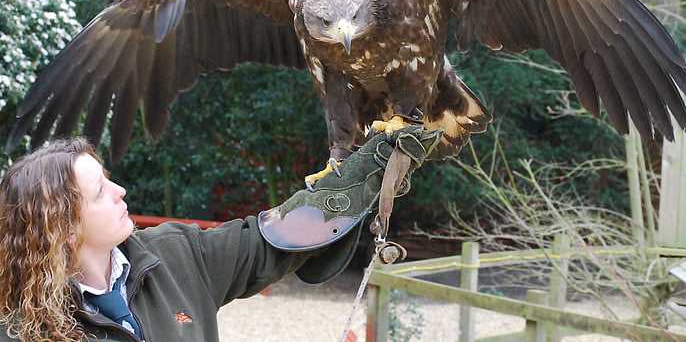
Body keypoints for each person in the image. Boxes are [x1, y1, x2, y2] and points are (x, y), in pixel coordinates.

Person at [0, 127, 439, 342]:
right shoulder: (23, 328)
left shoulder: (175, 255)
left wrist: (367, 173)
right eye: (100, 192)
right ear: (63, 225)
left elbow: (271, 239)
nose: (120, 192)